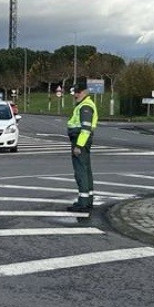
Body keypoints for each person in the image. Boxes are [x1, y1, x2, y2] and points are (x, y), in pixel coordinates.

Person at [66, 81, 98, 212]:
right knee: (85, 170)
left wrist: (78, 145)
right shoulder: (84, 105)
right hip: (81, 140)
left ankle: (83, 202)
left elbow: (85, 129)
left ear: (84, 92)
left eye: (78, 92)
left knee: (81, 172)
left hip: (80, 141)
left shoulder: (85, 107)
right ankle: (88, 199)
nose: (75, 95)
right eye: (75, 92)